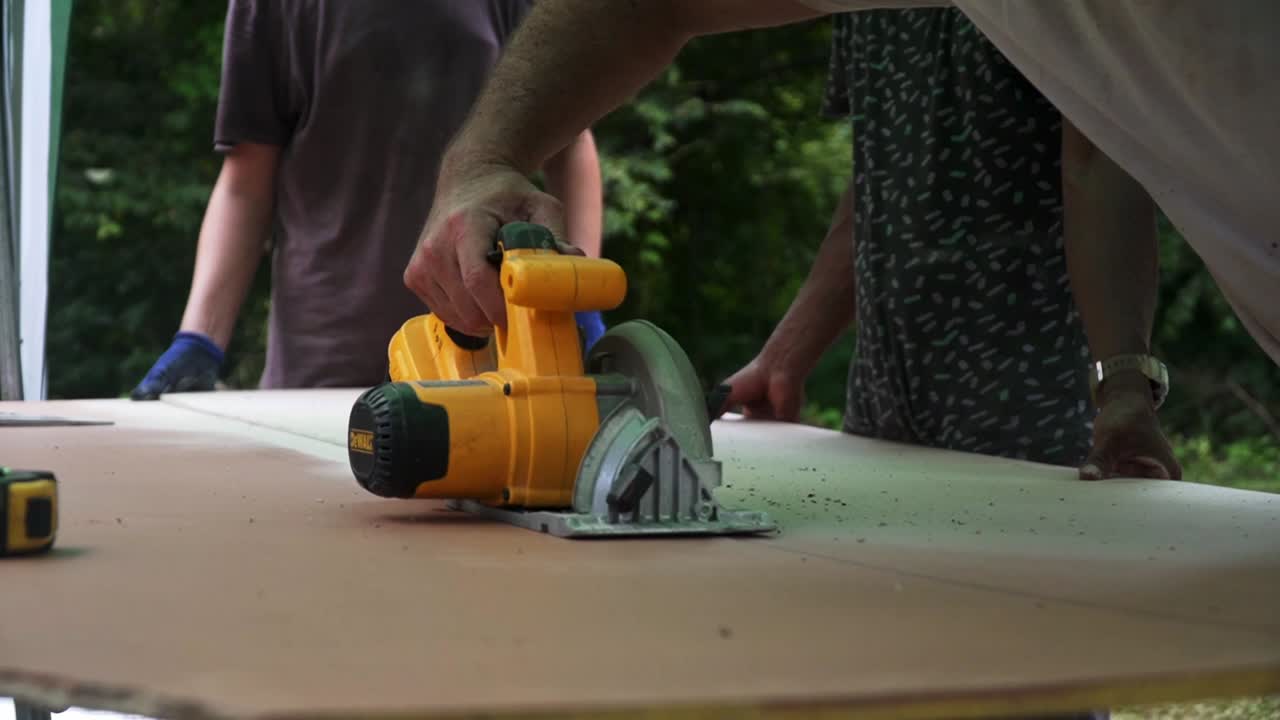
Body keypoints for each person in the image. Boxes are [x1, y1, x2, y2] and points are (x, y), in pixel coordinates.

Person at [402, 0, 1279, 481]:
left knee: (1028, 631)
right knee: (892, 620)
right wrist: (788, 355)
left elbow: (1096, 160)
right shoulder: (870, 18)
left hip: (1021, 361)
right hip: (891, 367)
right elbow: (874, 178)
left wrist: (1117, 380)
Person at [130, 0, 606, 400]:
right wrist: (200, 339)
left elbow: (572, 142)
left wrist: (574, 297)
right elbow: (245, 179)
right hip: (321, 365)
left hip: (488, 355)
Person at [723, 8, 1114, 474]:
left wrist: (1126, 385)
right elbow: (881, 171)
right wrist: (785, 357)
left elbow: (1101, 168)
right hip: (882, 410)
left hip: (1035, 409)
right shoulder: (857, 8)